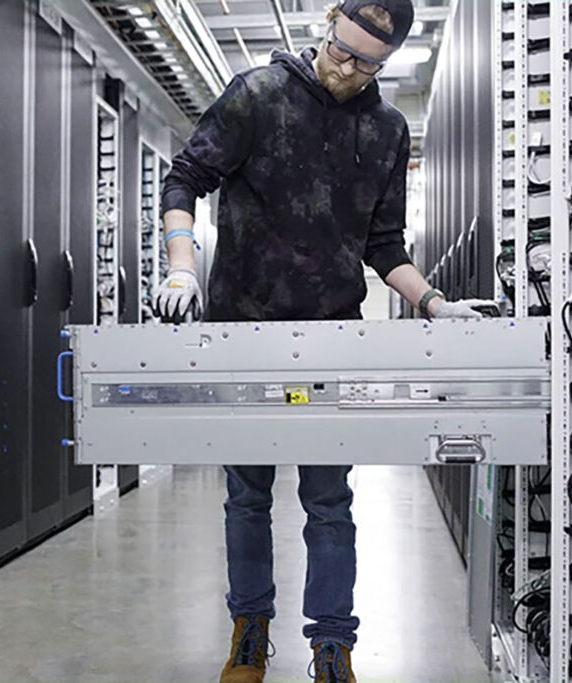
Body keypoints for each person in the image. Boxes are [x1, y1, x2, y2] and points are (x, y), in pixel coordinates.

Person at [153, 1, 492, 680]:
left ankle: (331, 644)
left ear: (384, 62)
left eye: (363, 61)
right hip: (241, 331)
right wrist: (181, 266)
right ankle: (249, 630)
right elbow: (185, 178)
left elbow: (382, 244)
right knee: (246, 496)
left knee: (329, 500)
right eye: (340, 48)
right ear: (328, 26)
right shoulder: (257, 95)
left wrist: (431, 301)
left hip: (332, 335)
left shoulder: (387, 130)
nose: (343, 67)